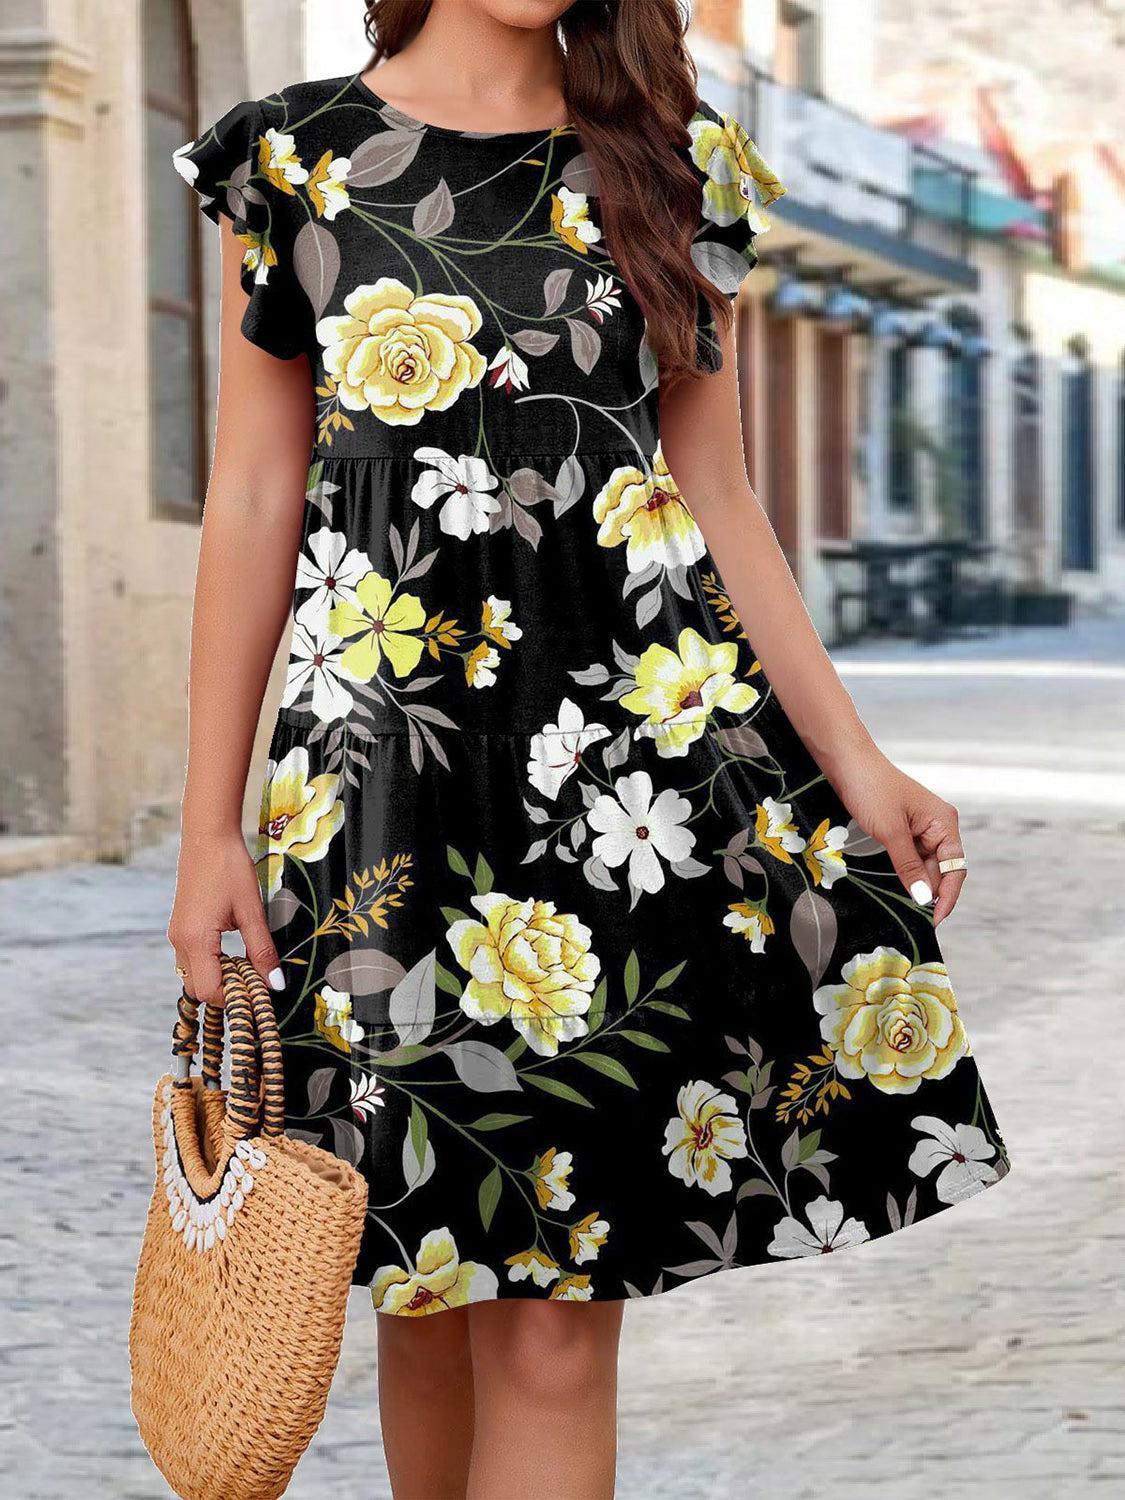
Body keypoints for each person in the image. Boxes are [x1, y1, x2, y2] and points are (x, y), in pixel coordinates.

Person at [167, 2, 1008, 1495]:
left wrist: (857, 761)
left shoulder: (673, 162)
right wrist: (206, 830)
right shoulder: (295, 157)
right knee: (424, 1294)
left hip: (629, 785)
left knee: (558, 1323)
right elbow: (251, 498)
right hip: (375, 799)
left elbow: (718, 494)